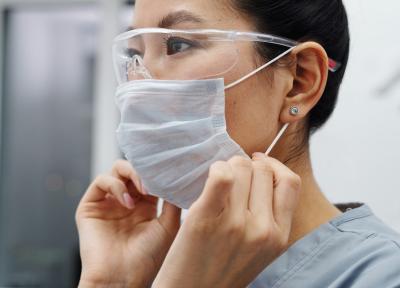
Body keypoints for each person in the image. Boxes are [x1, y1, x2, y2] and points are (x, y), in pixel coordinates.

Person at [75, 0, 400, 287]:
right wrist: (110, 283)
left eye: (177, 44)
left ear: (299, 80)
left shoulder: (381, 275)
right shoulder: (159, 262)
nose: (138, 82)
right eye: (135, 54)